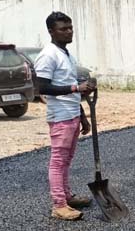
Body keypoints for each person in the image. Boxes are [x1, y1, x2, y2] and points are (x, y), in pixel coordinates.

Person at [34, 11, 95, 220]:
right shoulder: (48, 55)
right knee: (58, 160)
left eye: (70, 28)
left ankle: (67, 196)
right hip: (59, 116)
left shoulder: (67, 54)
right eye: (63, 29)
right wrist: (75, 87)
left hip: (71, 114)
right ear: (51, 31)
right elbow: (42, 87)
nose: (69, 32)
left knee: (67, 159)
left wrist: (82, 116)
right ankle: (59, 204)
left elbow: (72, 90)